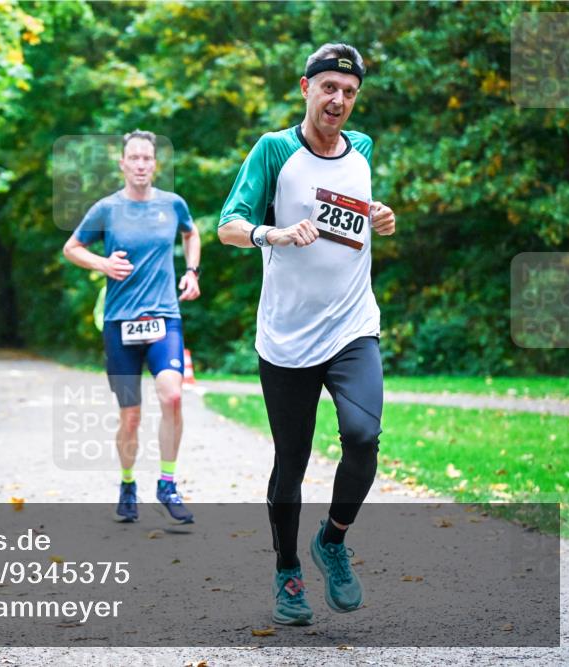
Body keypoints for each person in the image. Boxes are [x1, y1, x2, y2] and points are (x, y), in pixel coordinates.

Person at [217, 43, 397, 626]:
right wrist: (271, 234)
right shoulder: (274, 150)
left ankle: (333, 540)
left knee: (363, 436)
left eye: (349, 92)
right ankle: (288, 570)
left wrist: (379, 216)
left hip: (352, 326)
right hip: (288, 337)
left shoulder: (363, 148)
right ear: (306, 88)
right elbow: (228, 225)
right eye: (329, 88)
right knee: (291, 460)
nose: (338, 100)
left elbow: (354, 209)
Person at [63, 129, 201, 525]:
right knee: (131, 416)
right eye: (134, 158)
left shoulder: (173, 204)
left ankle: (167, 484)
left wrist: (192, 271)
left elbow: (191, 233)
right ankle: (127, 485)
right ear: (122, 164)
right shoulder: (106, 209)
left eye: (147, 158)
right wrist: (103, 264)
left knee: (172, 396)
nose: (141, 164)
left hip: (164, 319)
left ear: (155, 164)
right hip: (120, 323)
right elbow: (71, 248)